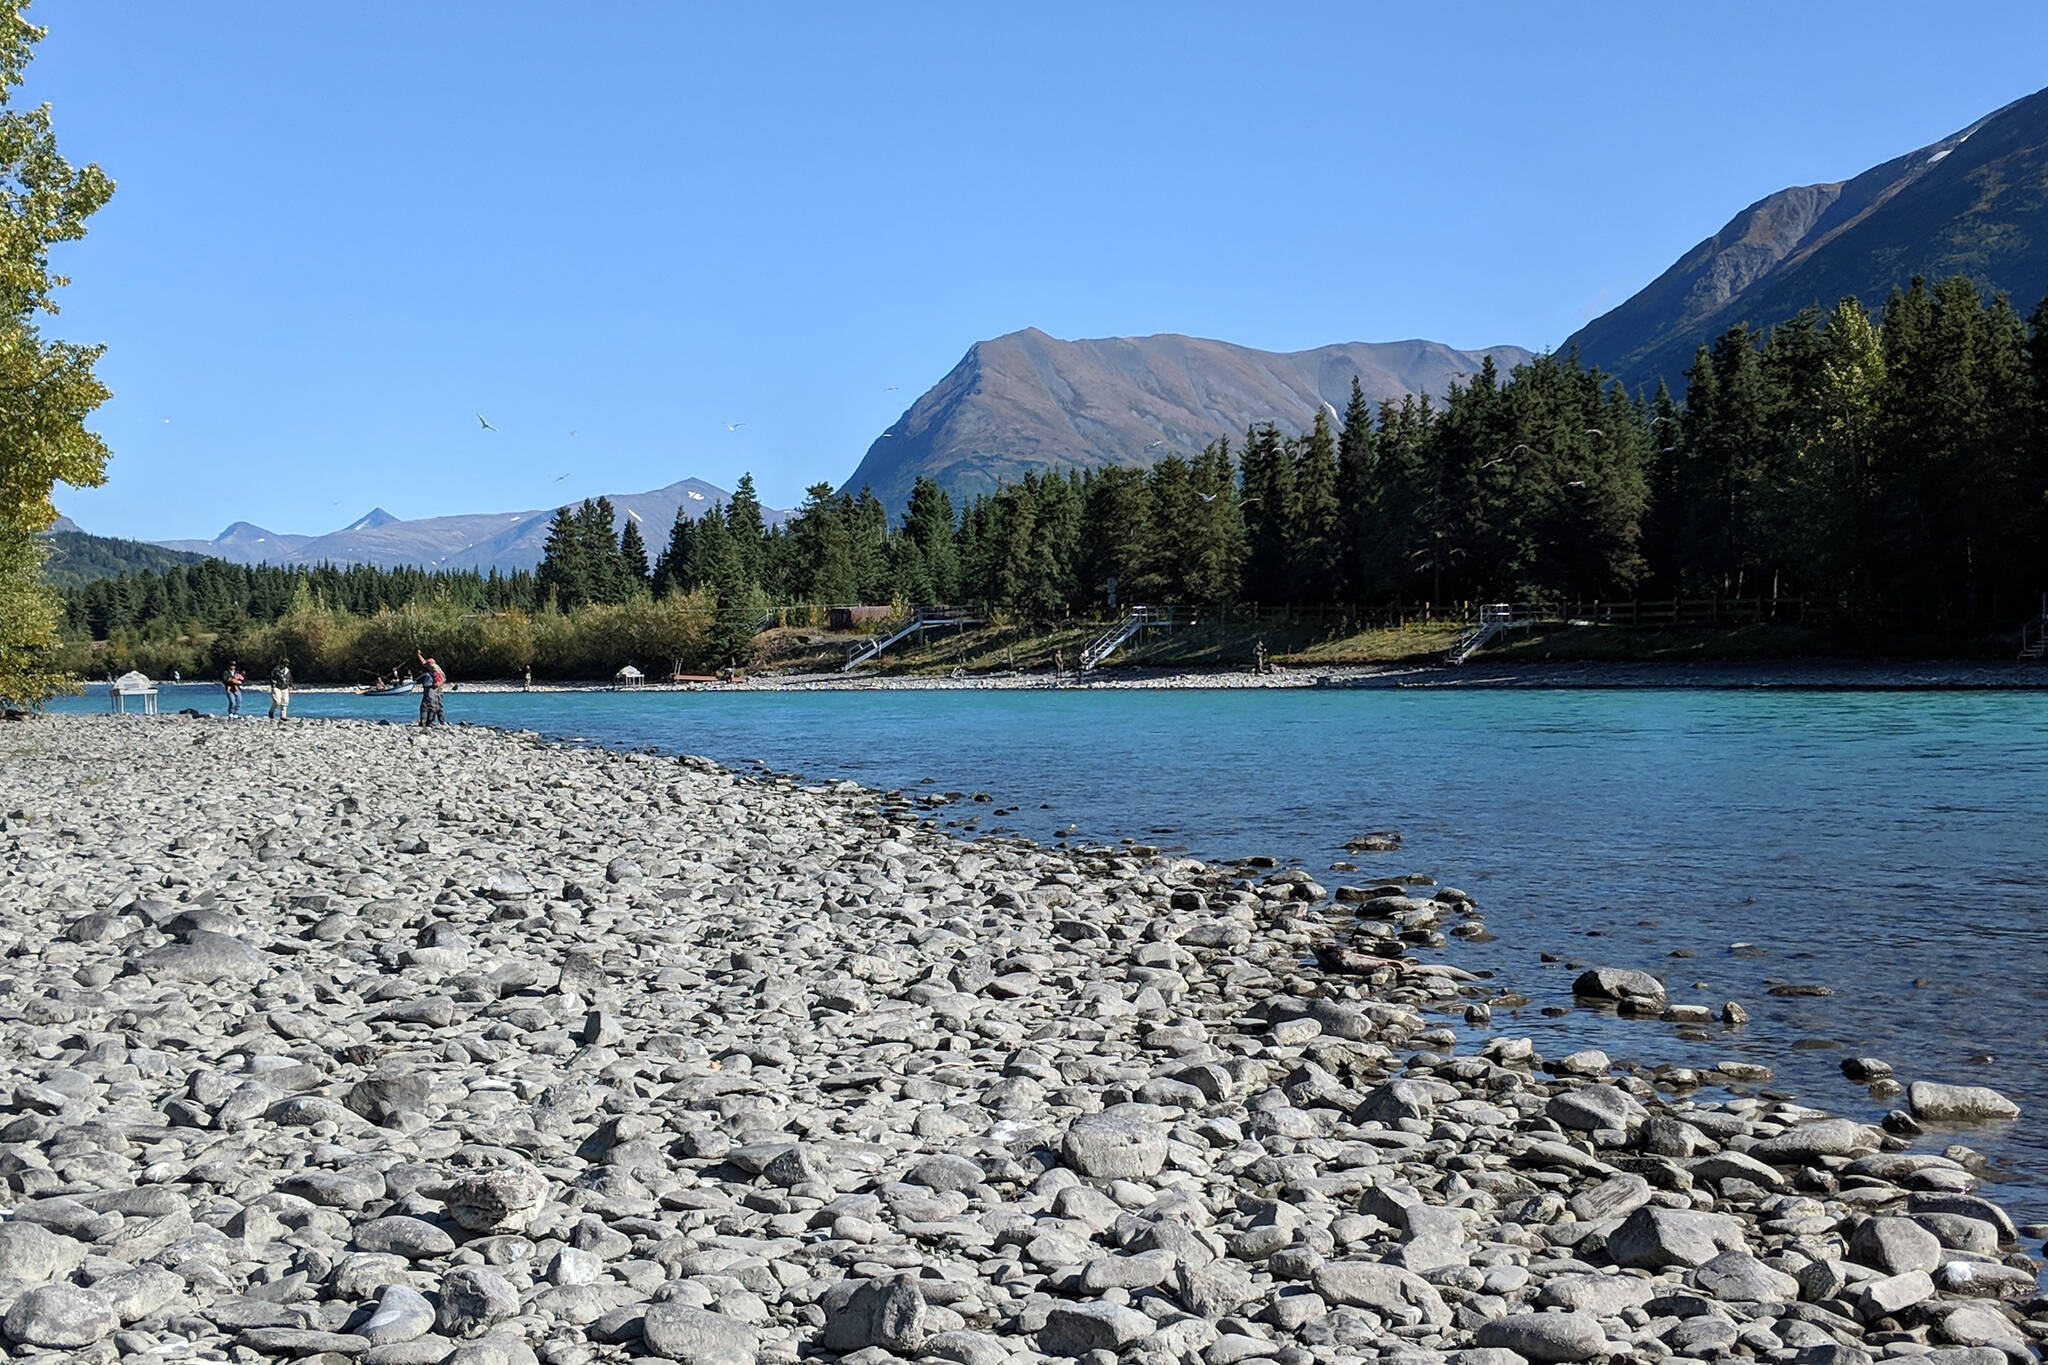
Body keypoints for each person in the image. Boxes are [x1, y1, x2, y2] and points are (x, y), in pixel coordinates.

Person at [417, 649, 446, 726]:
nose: (426, 666)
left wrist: (437, 685)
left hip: (438, 691)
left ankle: (441, 721)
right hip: (433, 689)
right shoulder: (431, 666)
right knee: (432, 705)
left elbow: (443, 679)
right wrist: (418, 654)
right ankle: (430, 721)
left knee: (437, 706)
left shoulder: (436, 669)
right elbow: (423, 663)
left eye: (428, 665)